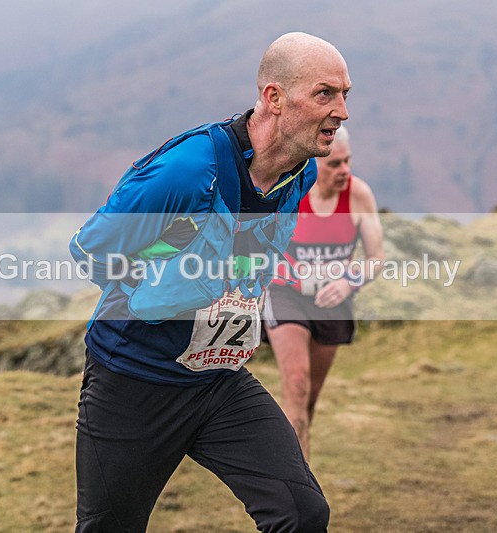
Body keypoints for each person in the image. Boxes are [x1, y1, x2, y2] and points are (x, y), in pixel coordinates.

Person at [69, 32, 351, 532]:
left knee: (302, 514)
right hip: (133, 383)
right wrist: (169, 276)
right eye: (325, 94)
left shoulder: (301, 173)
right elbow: (91, 250)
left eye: (345, 95)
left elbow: (251, 258)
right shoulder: (188, 169)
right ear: (274, 98)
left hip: (218, 380)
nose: (342, 111)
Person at [263, 127, 384, 460]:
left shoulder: (358, 196)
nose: (344, 171)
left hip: (333, 300)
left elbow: (376, 259)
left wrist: (348, 282)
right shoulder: (289, 192)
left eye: (347, 162)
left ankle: (299, 465)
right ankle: (295, 486)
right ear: (314, 163)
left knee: (310, 399)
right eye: (334, 165)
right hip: (286, 292)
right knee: (297, 384)